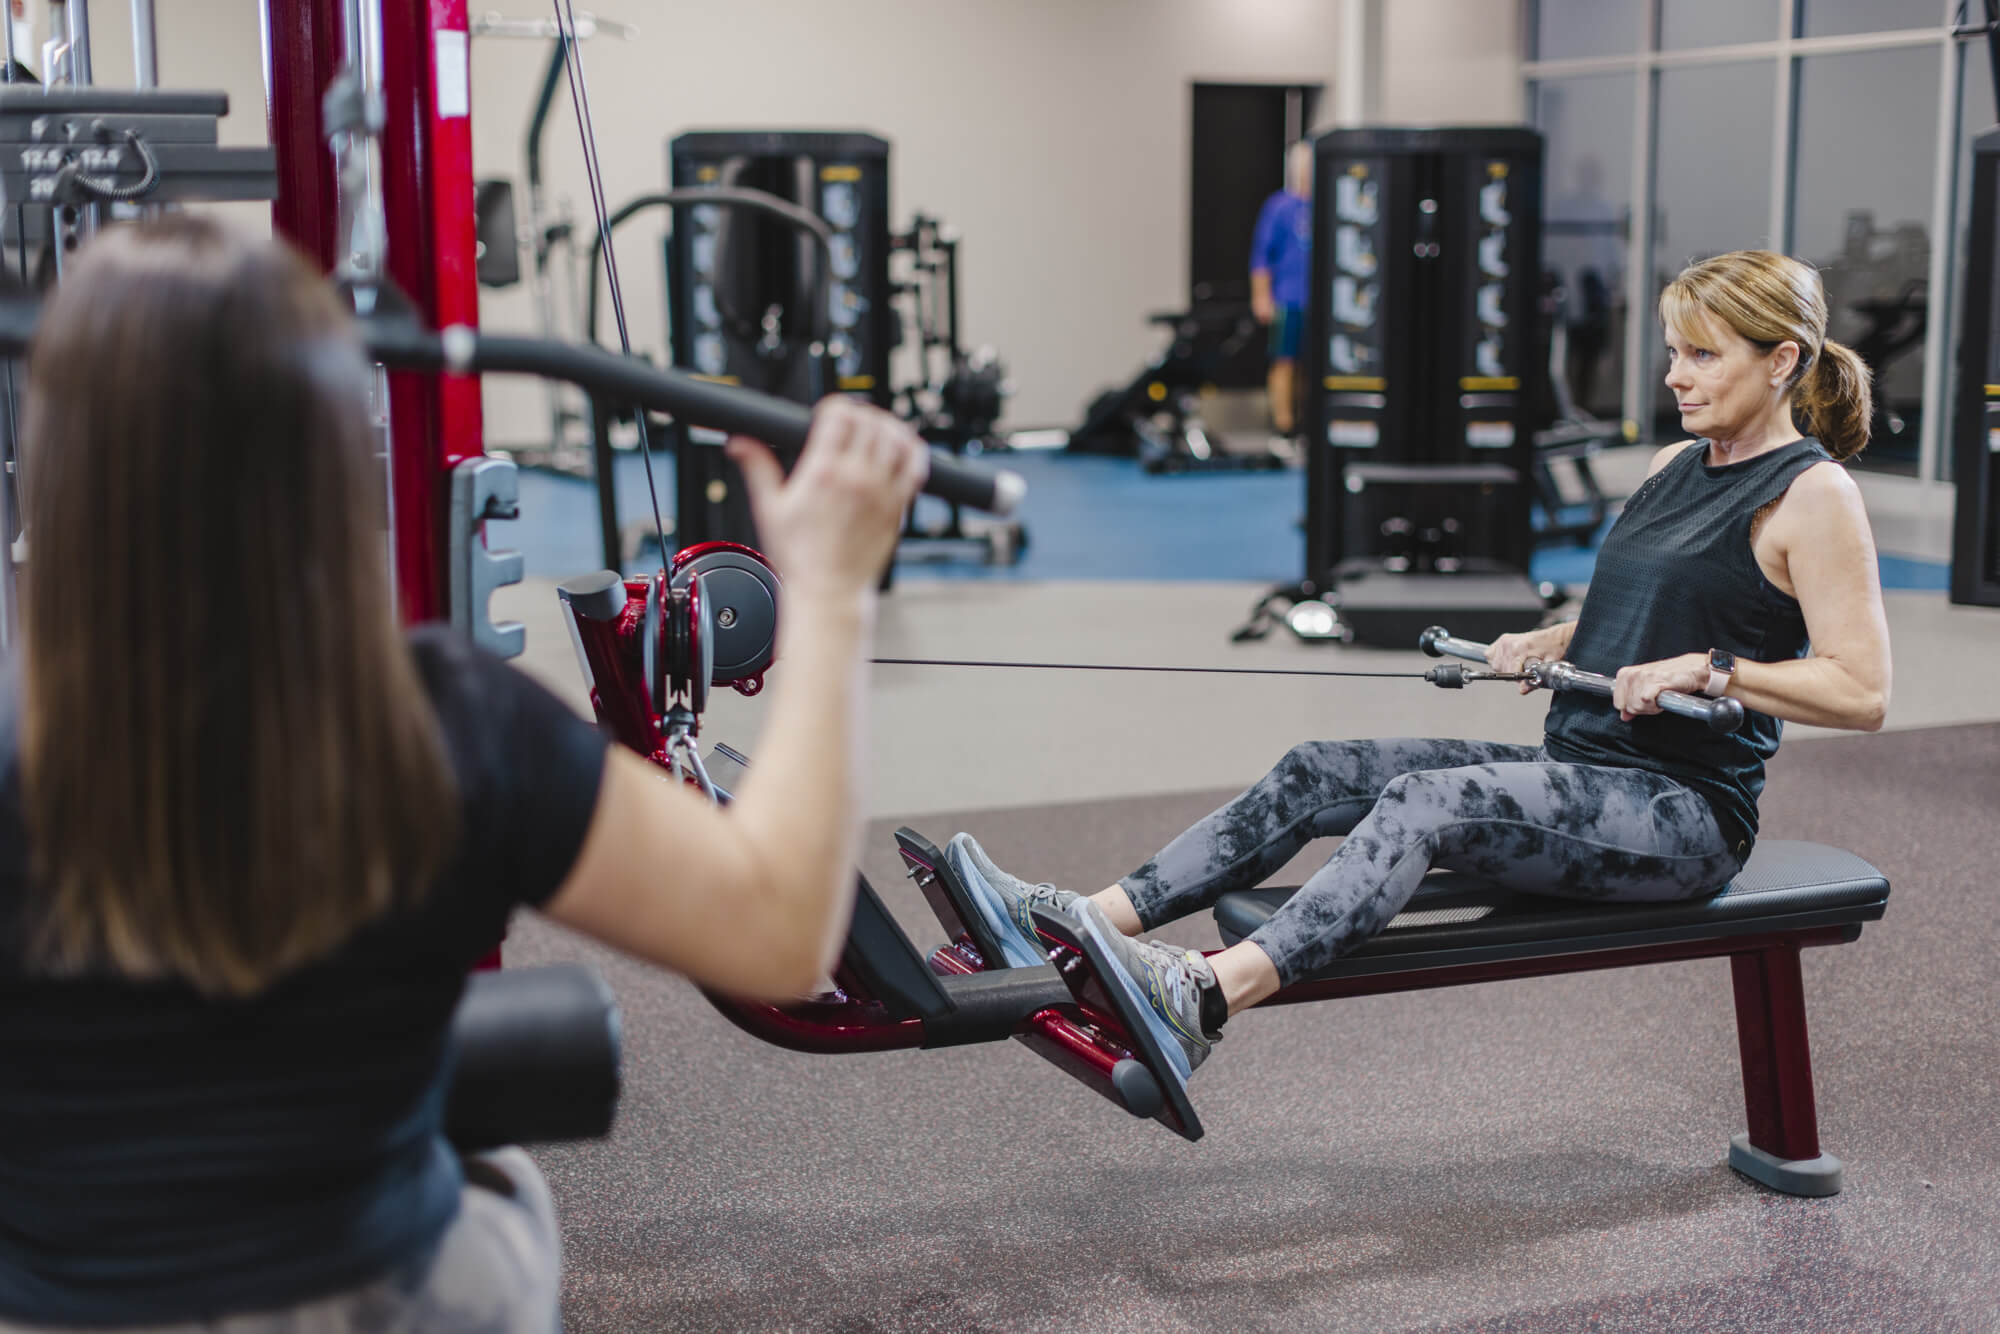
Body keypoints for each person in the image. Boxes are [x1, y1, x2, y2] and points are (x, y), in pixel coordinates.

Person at [0, 217, 927, 1330]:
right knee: (501, 1192)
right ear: (330, 461)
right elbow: (780, 934)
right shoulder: (439, 722)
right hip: (377, 1292)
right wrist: (831, 593)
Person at [949, 249, 1892, 1083]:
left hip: (1682, 817)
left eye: (1704, 354)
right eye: (1675, 352)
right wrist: (1555, 637)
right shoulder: (1671, 466)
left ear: (1783, 361)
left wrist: (1712, 672)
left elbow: (1861, 689)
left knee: (1428, 803)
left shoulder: (1814, 496)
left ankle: (1200, 999)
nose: (1675, 376)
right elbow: (1652, 604)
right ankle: (1087, 919)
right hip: (1586, 771)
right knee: (1322, 765)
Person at [1249, 140, 1314, 441]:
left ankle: (1307, 423)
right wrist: (1261, 296)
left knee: (1312, 365)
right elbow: (1262, 256)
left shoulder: (1325, 205)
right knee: (1285, 361)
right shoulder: (1279, 207)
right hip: (1288, 298)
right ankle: (1284, 425)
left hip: (1320, 302)